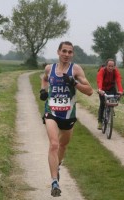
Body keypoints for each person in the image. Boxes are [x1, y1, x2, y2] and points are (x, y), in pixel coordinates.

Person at [40, 41, 93, 197]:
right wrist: (43, 90)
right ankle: (54, 182)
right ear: (58, 52)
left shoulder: (75, 69)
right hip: (52, 112)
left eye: (70, 52)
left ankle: (57, 166)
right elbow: (44, 79)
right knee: (54, 144)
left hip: (68, 115)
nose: (67, 54)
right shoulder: (49, 68)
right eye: (64, 51)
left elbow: (90, 91)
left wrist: (74, 82)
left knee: (63, 145)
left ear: (72, 54)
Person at [96, 58, 123, 129]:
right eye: (109, 66)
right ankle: (100, 121)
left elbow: (118, 80)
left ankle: (110, 111)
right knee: (102, 104)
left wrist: (120, 90)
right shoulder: (102, 71)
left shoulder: (115, 71)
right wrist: (100, 90)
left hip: (111, 88)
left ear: (114, 66)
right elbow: (100, 80)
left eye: (112, 66)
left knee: (114, 100)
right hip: (103, 89)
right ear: (106, 66)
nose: (111, 68)